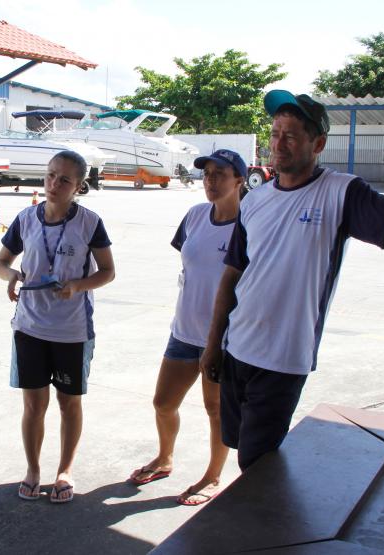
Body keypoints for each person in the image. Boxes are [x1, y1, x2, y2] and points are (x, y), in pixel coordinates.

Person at [199, 90, 384, 472]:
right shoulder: (255, 199)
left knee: (257, 462)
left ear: (317, 144)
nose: (278, 143)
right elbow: (232, 275)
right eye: (274, 133)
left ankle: (267, 530)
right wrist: (213, 344)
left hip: (283, 357)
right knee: (238, 445)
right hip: (237, 348)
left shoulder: (340, 192)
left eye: (290, 135)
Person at [0, 151, 115, 504]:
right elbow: (1, 262)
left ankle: (64, 470)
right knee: (34, 405)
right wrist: (12, 276)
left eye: (64, 179)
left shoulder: (90, 222)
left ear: (79, 186)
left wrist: (77, 285)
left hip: (72, 330)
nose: (54, 184)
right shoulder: (25, 219)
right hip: (29, 326)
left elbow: (107, 271)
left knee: (68, 403)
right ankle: (33, 469)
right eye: (50, 176)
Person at [129, 150, 246, 505]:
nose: (210, 181)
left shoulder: (251, 224)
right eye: (207, 174)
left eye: (220, 174)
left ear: (240, 181)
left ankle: (213, 476)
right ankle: (165, 457)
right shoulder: (195, 216)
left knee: (215, 409)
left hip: (225, 339)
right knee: (163, 403)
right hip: (183, 330)